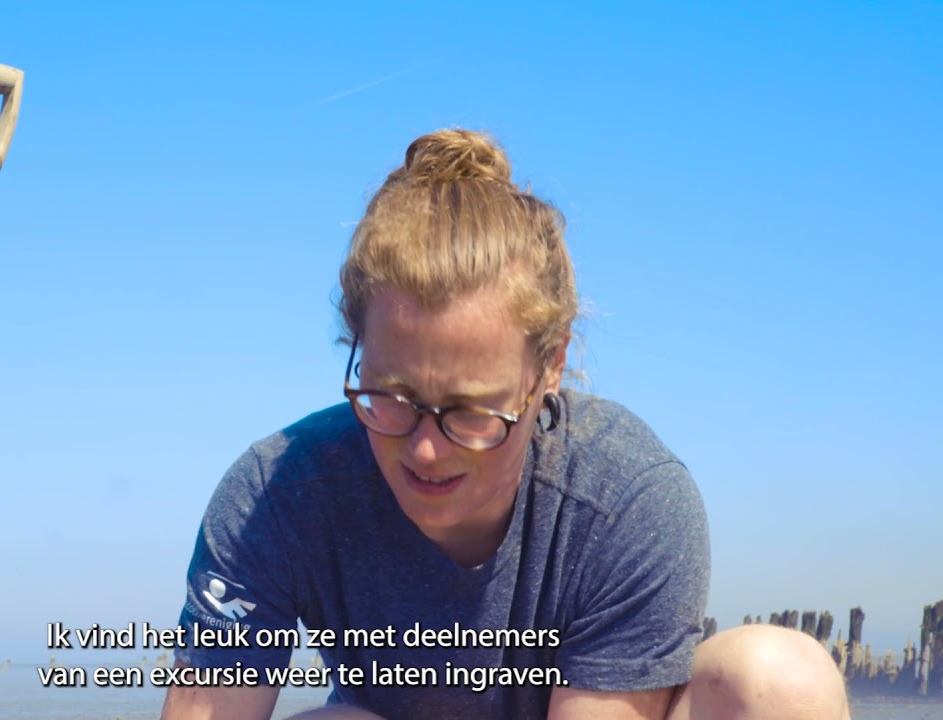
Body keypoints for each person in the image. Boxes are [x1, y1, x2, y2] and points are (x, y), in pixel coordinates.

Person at [160, 130, 850, 720]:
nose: (425, 449)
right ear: (355, 348)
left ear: (550, 365)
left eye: (469, 410)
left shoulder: (628, 499)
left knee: (778, 681)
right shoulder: (276, 496)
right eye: (390, 395)